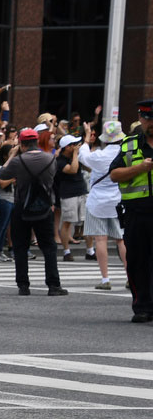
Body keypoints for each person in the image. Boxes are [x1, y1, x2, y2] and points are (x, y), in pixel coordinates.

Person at [0, 128, 65, 297]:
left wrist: (12, 155)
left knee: (20, 246)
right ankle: (53, 285)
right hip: (44, 207)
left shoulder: (17, 161)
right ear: (36, 141)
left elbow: (2, 174)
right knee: (49, 247)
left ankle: (23, 285)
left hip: (22, 207)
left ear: (21, 143)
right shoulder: (50, 159)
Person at [108, 99, 153, 321]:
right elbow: (114, 174)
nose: (150, 122)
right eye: (147, 118)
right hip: (136, 213)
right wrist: (139, 168)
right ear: (141, 119)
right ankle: (142, 306)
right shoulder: (130, 144)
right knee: (137, 261)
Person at [78, 121, 126, 289]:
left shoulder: (99, 156)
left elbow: (82, 156)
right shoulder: (125, 154)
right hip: (118, 200)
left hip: (97, 201)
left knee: (100, 239)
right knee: (121, 240)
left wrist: (86, 138)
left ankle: (105, 279)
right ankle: (130, 276)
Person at [54, 134, 88, 262]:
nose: (75, 147)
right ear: (67, 147)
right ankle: (66, 251)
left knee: (87, 222)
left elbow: (88, 167)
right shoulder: (60, 161)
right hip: (68, 194)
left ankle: (90, 250)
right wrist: (75, 154)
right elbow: (73, 170)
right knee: (67, 222)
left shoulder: (77, 157)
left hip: (81, 190)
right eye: (73, 145)